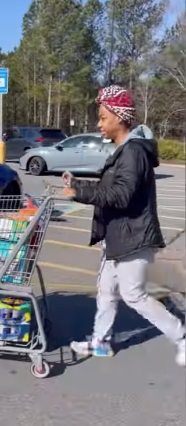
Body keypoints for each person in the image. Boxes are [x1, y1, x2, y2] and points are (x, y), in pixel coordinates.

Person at [63, 85, 185, 367]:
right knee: (106, 290)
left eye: (103, 117)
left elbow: (121, 195)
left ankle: (181, 336)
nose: (99, 124)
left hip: (134, 238)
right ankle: (101, 342)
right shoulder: (125, 151)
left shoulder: (133, 153)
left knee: (134, 295)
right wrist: (77, 185)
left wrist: (79, 194)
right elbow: (113, 187)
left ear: (119, 118)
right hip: (119, 237)